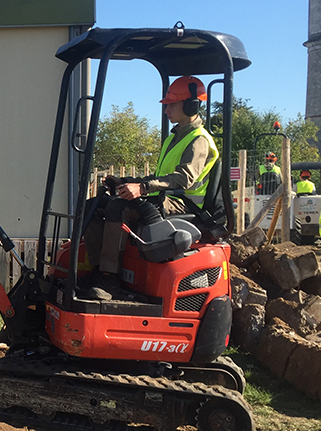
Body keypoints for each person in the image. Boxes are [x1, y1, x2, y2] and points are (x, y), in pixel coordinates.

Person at [84, 76, 219, 296]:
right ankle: (98, 269)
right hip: (166, 197)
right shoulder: (173, 138)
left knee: (119, 208)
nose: (166, 111)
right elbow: (160, 177)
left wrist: (143, 188)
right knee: (94, 205)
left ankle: (110, 279)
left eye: (171, 105)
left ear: (190, 105)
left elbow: (183, 179)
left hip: (184, 203)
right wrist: (126, 182)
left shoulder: (199, 139)